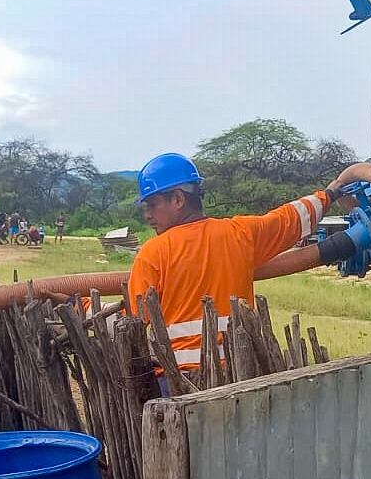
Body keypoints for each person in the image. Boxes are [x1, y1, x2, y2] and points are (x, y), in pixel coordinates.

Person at [126, 153, 342, 378]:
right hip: (239, 374)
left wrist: (86, 306)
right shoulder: (240, 234)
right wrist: (330, 194)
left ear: (178, 199)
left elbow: (132, 319)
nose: (148, 215)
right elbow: (291, 219)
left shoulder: (153, 253)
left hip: (180, 382)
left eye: (152, 204)